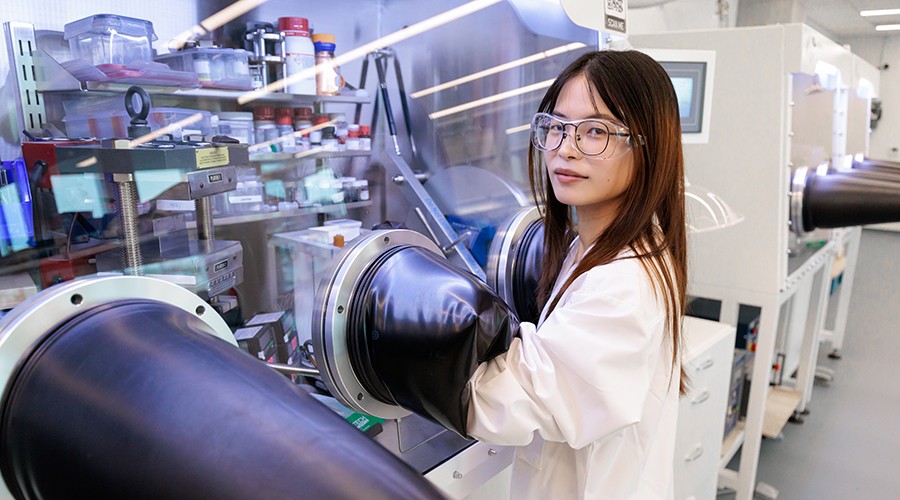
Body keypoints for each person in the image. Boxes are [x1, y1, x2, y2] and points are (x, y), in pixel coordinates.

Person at [466, 49, 688, 499]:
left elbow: (500, 402)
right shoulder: (590, 246)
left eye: (595, 131)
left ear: (648, 146)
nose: (565, 149)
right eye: (557, 127)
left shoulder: (622, 284)